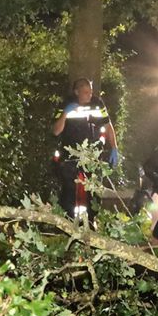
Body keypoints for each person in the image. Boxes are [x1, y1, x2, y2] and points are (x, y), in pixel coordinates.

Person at [51, 78, 118, 219]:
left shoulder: (97, 104)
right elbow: (56, 131)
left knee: (93, 195)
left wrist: (114, 148)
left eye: (91, 92)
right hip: (70, 157)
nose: (89, 95)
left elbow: (107, 125)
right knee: (69, 195)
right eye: (86, 92)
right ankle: (68, 225)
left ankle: (91, 224)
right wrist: (65, 114)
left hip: (92, 156)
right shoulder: (66, 104)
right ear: (77, 92)